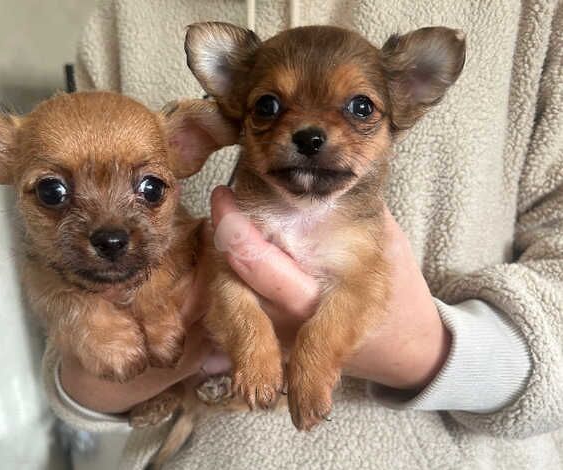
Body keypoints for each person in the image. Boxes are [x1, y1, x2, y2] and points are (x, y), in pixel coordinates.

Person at [42, 1, 563, 468]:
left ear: (409, 94)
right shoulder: (120, 19)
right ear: (232, 102)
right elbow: (84, 350)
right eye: (269, 108)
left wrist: (423, 350)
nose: (311, 133)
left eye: (358, 109)